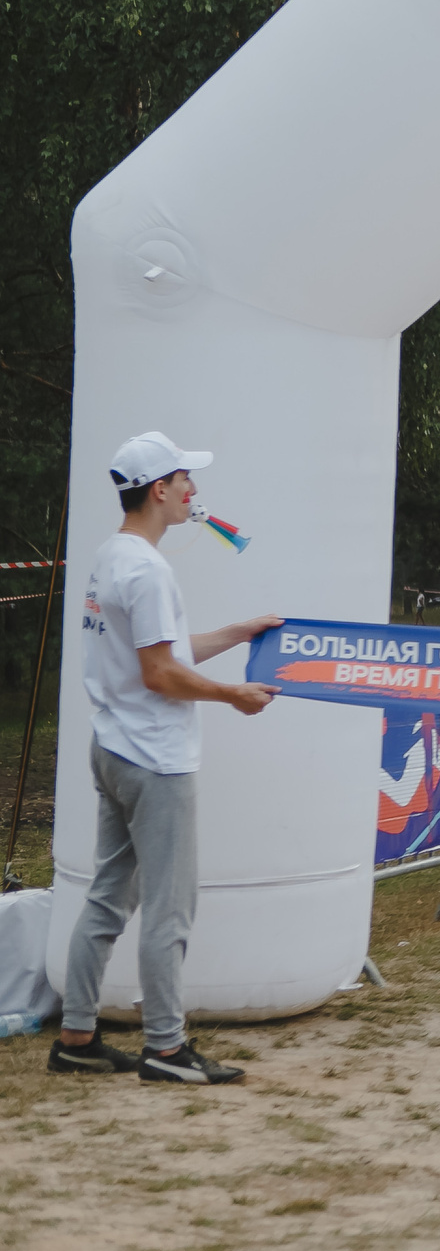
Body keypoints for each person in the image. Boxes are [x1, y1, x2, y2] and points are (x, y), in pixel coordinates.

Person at [50, 432, 279, 1084]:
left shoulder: (110, 556)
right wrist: (232, 694)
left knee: (106, 900)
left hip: (114, 750)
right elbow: (160, 673)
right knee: (170, 909)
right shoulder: (148, 569)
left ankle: (76, 1035)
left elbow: (162, 653)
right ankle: (167, 1048)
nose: (194, 491)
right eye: (186, 479)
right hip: (156, 760)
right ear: (159, 489)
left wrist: (239, 632)